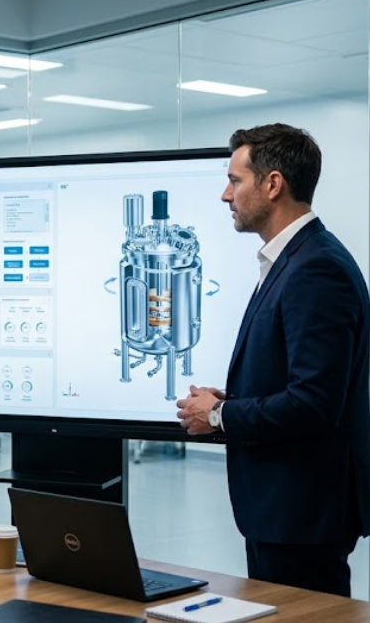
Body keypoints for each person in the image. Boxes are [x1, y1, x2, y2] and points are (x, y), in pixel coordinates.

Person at [175, 124, 370, 597]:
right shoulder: (294, 260)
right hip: (284, 509)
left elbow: (314, 402)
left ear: (272, 184)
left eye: (235, 180)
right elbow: (296, 379)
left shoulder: (316, 268)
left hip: (303, 513)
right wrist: (231, 400)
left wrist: (220, 414)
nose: (226, 195)